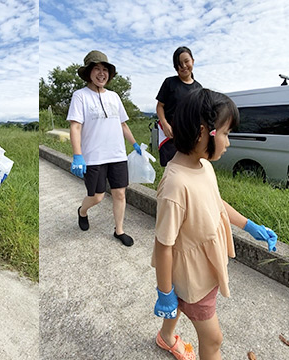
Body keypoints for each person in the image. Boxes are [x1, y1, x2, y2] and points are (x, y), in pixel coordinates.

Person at [152, 89, 278, 360]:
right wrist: (165, 292)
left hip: (205, 267)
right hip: (193, 278)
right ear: (202, 132)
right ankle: (170, 328)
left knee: (180, 309)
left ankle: (166, 337)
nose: (228, 143)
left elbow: (216, 203)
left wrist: (249, 225)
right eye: (226, 133)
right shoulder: (176, 185)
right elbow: (164, 245)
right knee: (213, 339)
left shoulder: (204, 166)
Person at [68, 50, 141, 247]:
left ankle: (119, 230)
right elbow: (75, 126)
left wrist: (134, 144)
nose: (102, 73)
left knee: (120, 193)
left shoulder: (114, 97)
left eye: (105, 70)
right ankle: (82, 211)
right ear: (89, 72)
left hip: (117, 155)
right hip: (93, 157)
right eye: (97, 69)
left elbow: (123, 124)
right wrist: (77, 155)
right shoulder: (80, 96)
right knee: (97, 196)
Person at [156, 46, 202, 167]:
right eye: (179, 63)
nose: (183, 66)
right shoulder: (169, 83)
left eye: (186, 61)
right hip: (170, 137)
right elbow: (160, 106)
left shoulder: (199, 88)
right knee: (171, 170)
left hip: (189, 137)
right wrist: (165, 124)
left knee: (187, 169)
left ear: (193, 61)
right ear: (175, 67)